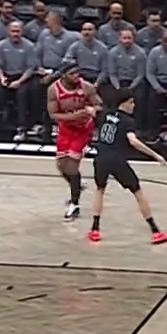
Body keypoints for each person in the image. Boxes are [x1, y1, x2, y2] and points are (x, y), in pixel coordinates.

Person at [86, 86, 167, 244]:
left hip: (100, 158)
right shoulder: (127, 121)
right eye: (131, 102)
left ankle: (94, 230)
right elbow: (133, 142)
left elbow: (90, 110)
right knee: (138, 193)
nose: (134, 106)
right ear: (124, 103)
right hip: (116, 160)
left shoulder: (104, 114)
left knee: (99, 190)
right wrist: (155, 155)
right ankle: (155, 231)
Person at [48, 64, 100, 220]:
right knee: (61, 166)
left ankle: (75, 204)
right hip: (66, 129)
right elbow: (53, 115)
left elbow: (99, 104)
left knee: (72, 166)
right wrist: (74, 116)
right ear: (63, 75)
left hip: (83, 129)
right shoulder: (54, 90)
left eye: (78, 72)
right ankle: (77, 184)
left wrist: (93, 110)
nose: (77, 76)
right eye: (72, 73)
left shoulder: (86, 87)